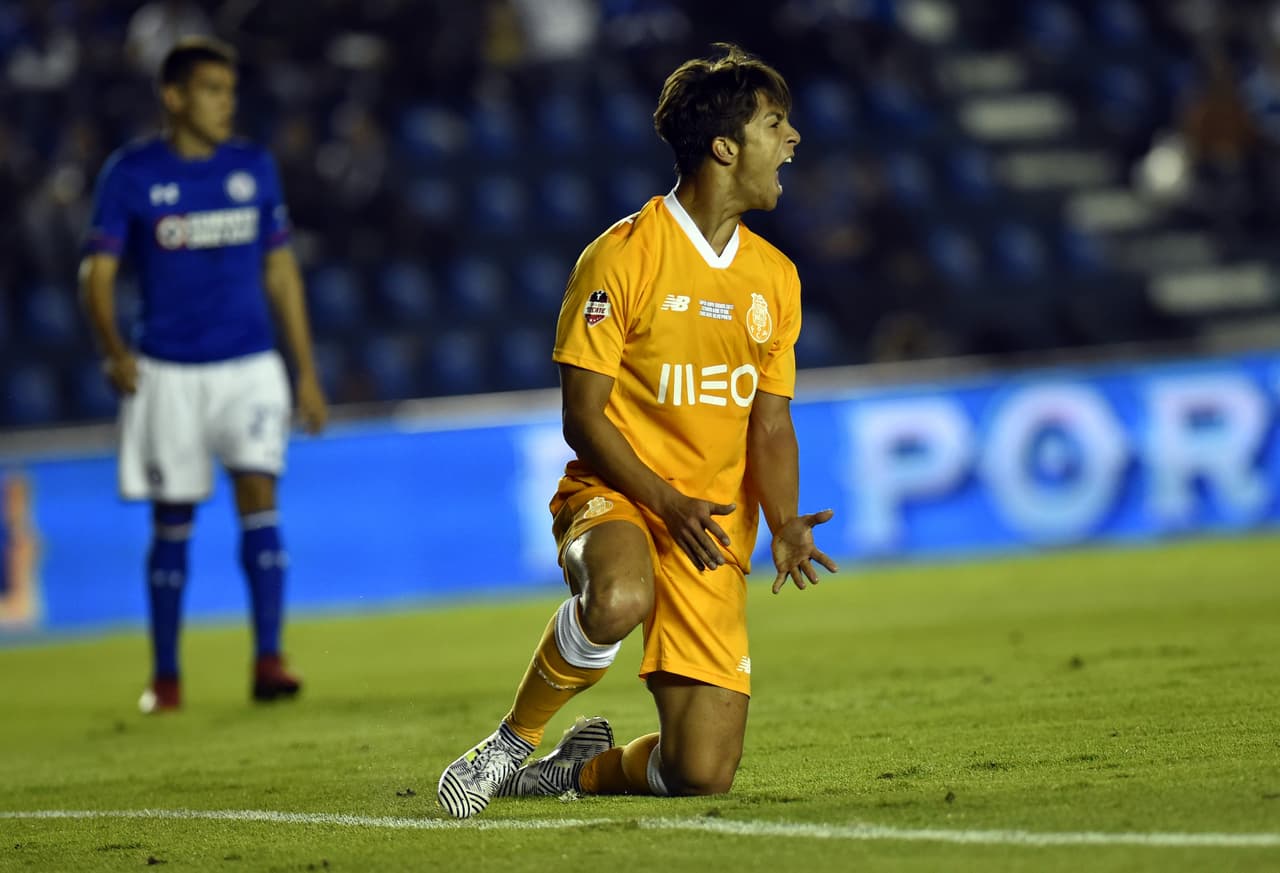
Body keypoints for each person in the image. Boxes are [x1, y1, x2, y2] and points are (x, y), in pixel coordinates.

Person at [437, 43, 837, 818]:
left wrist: (785, 519)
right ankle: (509, 743)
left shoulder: (775, 279)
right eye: (776, 124)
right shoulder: (621, 257)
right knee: (618, 596)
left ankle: (568, 772)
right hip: (618, 492)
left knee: (702, 772)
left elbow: (772, 421)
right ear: (725, 147)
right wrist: (663, 498)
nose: (792, 140)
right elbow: (583, 417)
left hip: (709, 530)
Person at [78, 36, 328, 714]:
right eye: (212, 91)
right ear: (174, 96)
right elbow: (95, 272)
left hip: (249, 363)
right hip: (167, 370)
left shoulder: (253, 166)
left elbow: (280, 270)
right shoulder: (131, 173)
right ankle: (166, 677)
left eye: (230, 91)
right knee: (174, 516)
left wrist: (304, 371)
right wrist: (112, 350)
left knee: (260, 496)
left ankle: (270, 658)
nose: (226, 104)